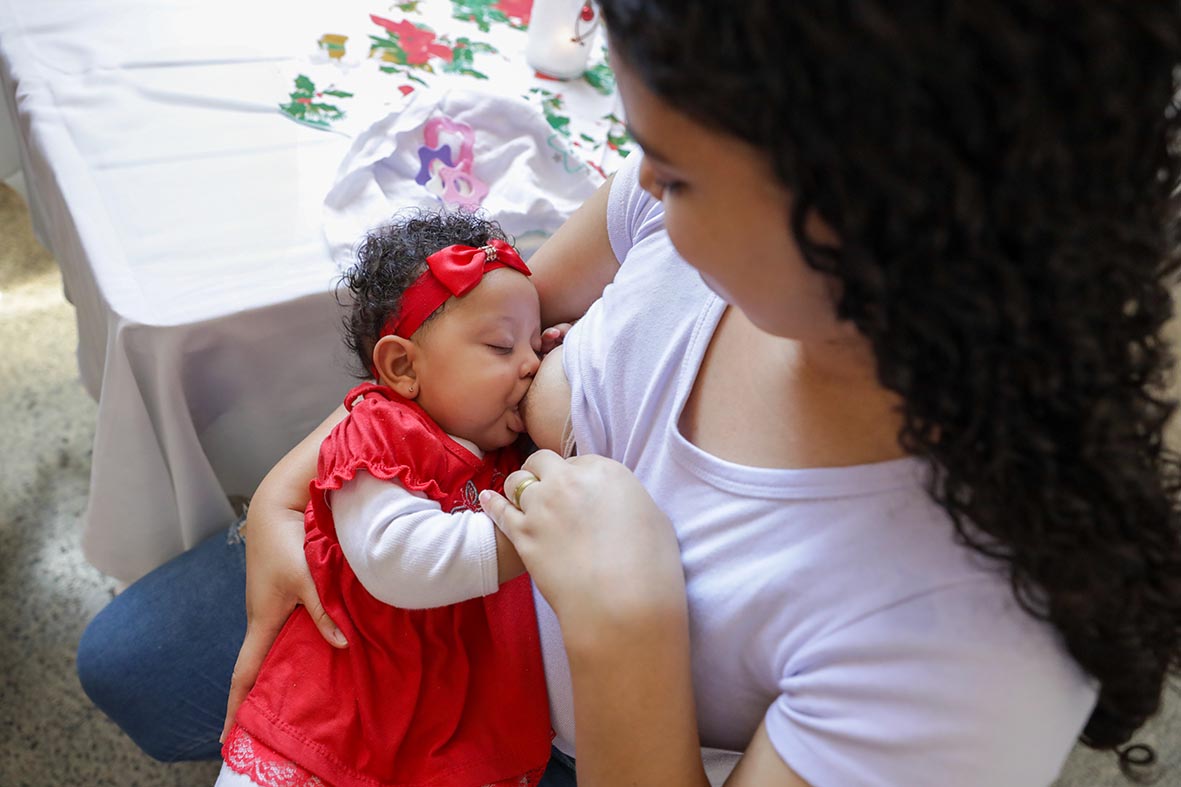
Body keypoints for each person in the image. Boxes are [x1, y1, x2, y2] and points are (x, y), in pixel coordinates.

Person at [77, 2, 1181, 785]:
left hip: (580, 733)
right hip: (441, 569)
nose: (635, 176)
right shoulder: (682, 228)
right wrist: (294, 478)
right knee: (124, 661)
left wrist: (624, 625)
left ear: (875, 221)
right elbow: (453, 333)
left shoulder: (964, 646)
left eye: (674, 165)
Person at [214, 210, 554, 787]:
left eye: (536, 342)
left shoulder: (498, 454)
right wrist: (537, 536)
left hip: (447, 720)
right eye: (501, 346)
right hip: (339, 706)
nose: (531, 364)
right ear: (401, 366)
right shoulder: (379, 436)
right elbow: (396, 557)